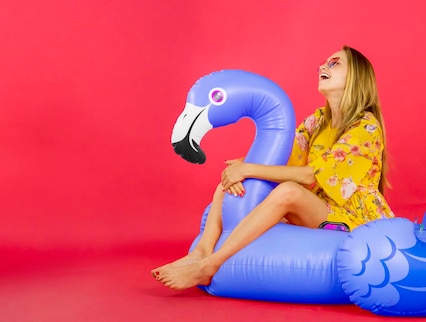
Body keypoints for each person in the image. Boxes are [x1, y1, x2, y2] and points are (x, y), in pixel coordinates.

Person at [152, 45, 395, 290]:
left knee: (287, 190)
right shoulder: (318, 120)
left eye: (335, 63)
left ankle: (210, 266)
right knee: (228, 182)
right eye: (324, 62)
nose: (323, 66)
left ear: (355, 78)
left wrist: (249, 169)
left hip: (351, 217)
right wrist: (243, 169)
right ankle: (201, 251)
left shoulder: (366, 127)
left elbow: (311, 175)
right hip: (317, 205)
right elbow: (285, 162)